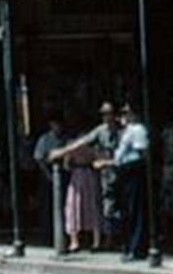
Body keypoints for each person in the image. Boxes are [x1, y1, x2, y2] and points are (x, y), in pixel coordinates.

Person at [50, 112, 112, 253]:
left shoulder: (72, 144)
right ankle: (96, 241)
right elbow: (99, 160)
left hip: (77, 176)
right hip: (91, 175)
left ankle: (74, 241)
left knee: (74, 206)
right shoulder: (93, 146)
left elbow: (66, 165)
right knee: (94, 206)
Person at [105, 105, 151, 260]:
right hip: (124, 171)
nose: (123, 116)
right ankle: (129, 245)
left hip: (133, 171)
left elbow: (141, 153)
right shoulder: (127, 130)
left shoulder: (138, 130)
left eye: (126, 113)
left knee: (135, 210)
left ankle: (137, 248)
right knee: (126, 211)